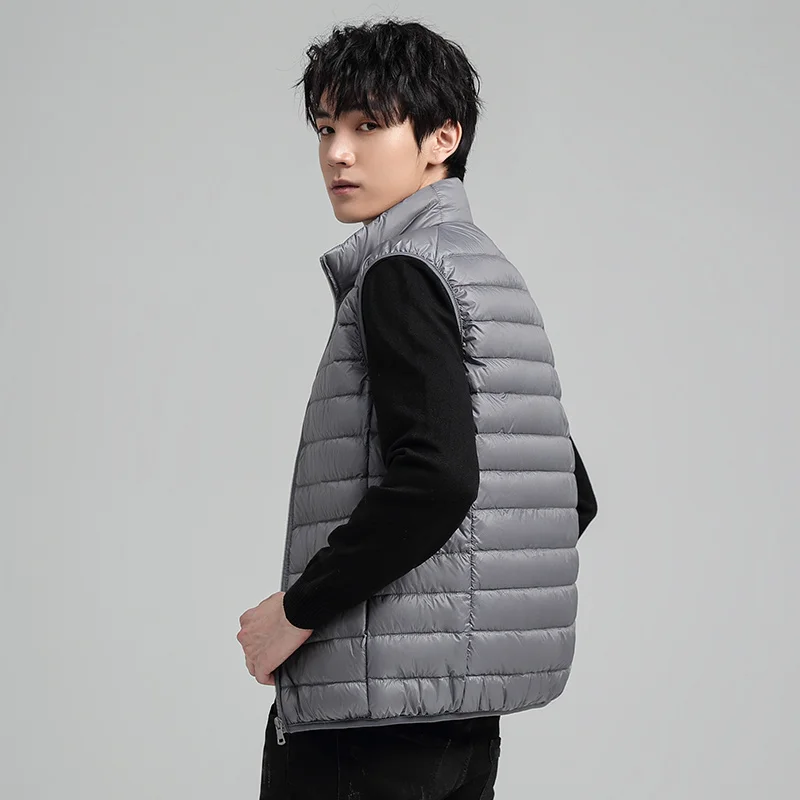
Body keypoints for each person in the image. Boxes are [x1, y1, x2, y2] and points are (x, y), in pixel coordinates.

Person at [237, 16, 598, 799]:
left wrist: (297, 613)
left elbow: (437, 481)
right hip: (460, 727)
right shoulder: (488, 274)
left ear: (443, 137)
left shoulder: (400, 273)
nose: (338, 152)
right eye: (326, 128)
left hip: (370, 733)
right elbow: (566, 496)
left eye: (368, 126)